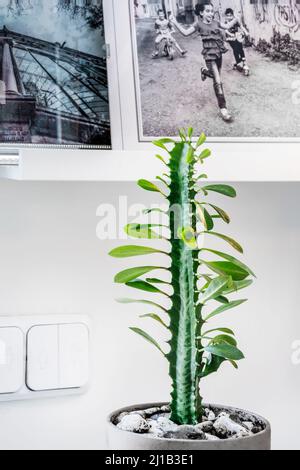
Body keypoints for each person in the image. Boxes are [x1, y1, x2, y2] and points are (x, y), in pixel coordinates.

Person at [172, 2, 239, 122]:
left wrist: (236, 19)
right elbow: (185, 33)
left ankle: (204, 71)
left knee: (215, 77)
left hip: (219, 54)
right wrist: (175, 22)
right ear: (201, 13)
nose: (210, 13)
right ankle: (223, 108)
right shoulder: (199, 24)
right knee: (218, 81)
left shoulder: (216, 22)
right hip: (209, 56)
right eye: (207, 11)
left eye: (211, 11)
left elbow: (226, 26)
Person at [224, 8, 249, 72]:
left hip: (237, 36)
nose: (229, 17)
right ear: (226, 16)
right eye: (228, 15)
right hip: (230, 38)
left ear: (233, 15)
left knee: (240, 48)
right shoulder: (226, 22)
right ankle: (238, 62)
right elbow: (225, 30)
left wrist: (245, 32)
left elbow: (241, 26)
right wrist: (230, 34)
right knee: (235, 49)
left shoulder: (235, 21)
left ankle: (243, 61)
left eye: (230, 15)